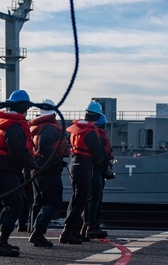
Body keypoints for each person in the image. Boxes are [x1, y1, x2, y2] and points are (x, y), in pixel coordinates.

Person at [0, 90, 37, 257]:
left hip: (2, 169)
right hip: (7, 170)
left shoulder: (5, 123)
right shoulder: (15, 126)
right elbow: (17, 152)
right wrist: (32, 163)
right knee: (15, 204)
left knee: (1, 204)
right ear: (24, 107)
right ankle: (1, 243)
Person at [59, 101, 107, 244]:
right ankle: (67, 232)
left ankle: (74, 231)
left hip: (74, 164)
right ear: (98, 116)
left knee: (77, 199)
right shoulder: (91, 132)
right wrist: (105, 166)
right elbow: (98, 156)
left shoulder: (77, 129)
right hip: (84, 166)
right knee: (80, 200)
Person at [28, 99, 68, 247]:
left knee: (39, 201)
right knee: (53, 202)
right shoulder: (50, 128)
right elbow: (44, 147)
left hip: (37, 169)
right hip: (49, 170)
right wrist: (58, 160)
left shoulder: (37, 127)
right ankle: (38, 233)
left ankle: (34, 230)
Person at [86, 114, 115, 240]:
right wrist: (107, 169)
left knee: (93, 199)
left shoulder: (91, 134)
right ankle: (91, 227)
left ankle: (91, 226)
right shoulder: (99, 136)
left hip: (92, 170)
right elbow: (101, 155)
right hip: (95, 170)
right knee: (94, 199)